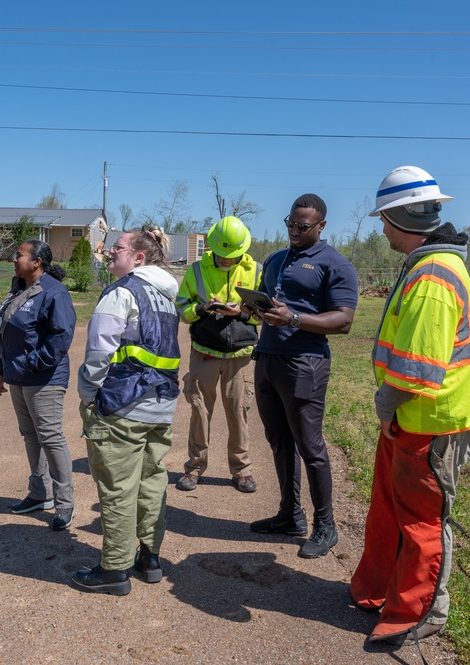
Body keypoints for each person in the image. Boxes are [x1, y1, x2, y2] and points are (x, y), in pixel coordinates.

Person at [350, 166, 470, 647]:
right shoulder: (430, 265)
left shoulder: (433, 276)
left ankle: (420, 613)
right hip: (417, 420)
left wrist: (386, 408)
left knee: (423, 521)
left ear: (400, 216)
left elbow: (418, 370)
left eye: (385, 219)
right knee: (392, 511)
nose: (383, 229)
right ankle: (383, 593)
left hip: (432, 422)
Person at [244, 194, 358, 559]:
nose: (294, 230)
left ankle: (326, 525)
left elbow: (343, 320)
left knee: (310, 446)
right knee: (278, 441)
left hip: (305, 363)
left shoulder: (335, 265)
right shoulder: (276, 259)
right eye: (290, 223)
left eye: (303, 226)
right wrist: (249, 309)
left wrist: (294, 319)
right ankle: (290, 515)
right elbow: (267, 305)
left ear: (321, 226)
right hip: (268, 358)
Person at [72, 227, 180, 596]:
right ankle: (149, 559)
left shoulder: (122, 293)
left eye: (118, 248)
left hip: (121, 403)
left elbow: (99, 351)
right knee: (151, 482)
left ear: (140, 257)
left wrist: (88, 393)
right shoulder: (166, 297)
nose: (109, 251)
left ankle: (114, 570)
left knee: (118, 487)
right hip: (160, 404)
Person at [0, 239, 77, 531]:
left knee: (50, 437)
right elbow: (8, 333)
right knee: (30, 435)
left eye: (19, 255)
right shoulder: (20, 288)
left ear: (37, 261)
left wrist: (31, 364)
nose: (14, 260)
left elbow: (61, 337)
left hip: (44, 378)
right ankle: (41, 494)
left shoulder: (53, 292)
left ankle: (65, 503)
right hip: (18, 376)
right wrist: (2, 369)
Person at [173, 216, 261, 494]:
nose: (226, 260)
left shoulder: (257, 271)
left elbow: (265, 314)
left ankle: (242, 470)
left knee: (239, 413)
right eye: (221, 255)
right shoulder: (197, 270)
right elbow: (181, 308)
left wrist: (241, 313)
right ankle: (195, 467)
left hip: (240, 357)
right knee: (200, 412)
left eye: (231, 255)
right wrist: (201, 309)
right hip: (204, 354)